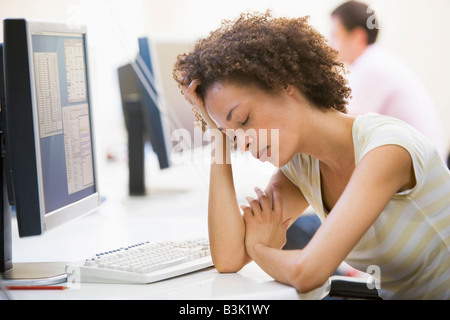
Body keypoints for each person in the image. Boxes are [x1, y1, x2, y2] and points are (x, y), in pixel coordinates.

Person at [173, 11, 450, 299]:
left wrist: (259, 248)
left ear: (285, 82)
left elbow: (309, 273)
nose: (242, 143)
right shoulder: (303, 167)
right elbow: (229, 258)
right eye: (232, 136)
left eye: (243, 120)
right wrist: (216, 134)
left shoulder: (387, 149)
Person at [329, 1, 447, 161]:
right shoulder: (377, 59)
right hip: (426, 162)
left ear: (358, 36)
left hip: (424, 170)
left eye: (335, 35)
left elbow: (343, 129)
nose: (330, 44)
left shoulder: (370, 66)